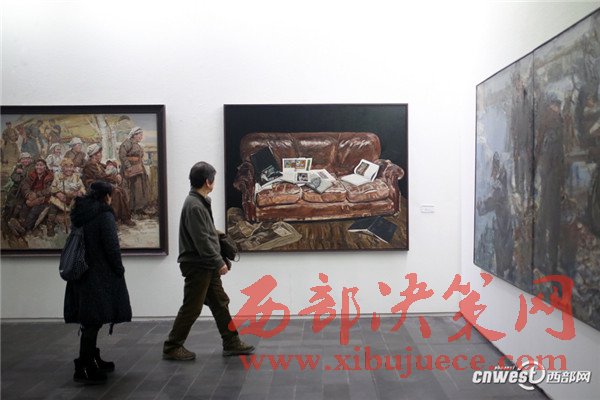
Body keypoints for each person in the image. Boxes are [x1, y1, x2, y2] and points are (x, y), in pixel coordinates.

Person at [162, 161, 255, 361]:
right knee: (192, 307)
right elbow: (202, 240)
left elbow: (205, 233)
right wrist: (218, 262)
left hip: (204, 263)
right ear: (207, 181)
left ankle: (231, 341)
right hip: (198, 265)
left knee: (220, 302)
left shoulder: (198, 202)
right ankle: (172, 346)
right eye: (213, 178)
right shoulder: (195, 205)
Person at [63, 181, 132, 384]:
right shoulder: (104, 214)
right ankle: (84, 367)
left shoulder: (81, 213)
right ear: (106, 196)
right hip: (99, 275)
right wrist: (119, 269)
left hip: (82, 274)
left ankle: (92, 358)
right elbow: (112, 246)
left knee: (91, 320)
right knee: (93, 321)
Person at [82, 144, 135, 226]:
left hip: (102, 184)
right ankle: (114, 219)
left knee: (121, 191)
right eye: (99, 153)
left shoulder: (98, 164)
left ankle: (124, 217)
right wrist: (114, 178)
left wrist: (116, 173)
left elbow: (107, 169)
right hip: (94, 187)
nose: (101, 154)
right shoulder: (89, 165)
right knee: (116, 192)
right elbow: (101, 176)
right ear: (94, 155)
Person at [47, 158, 86, 237]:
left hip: (72, 199)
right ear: (62, 168)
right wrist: (58, 193)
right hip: (60, 199)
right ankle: (50, 226)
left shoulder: (76, 177)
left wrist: (80, 192)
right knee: (53, 207)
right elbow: (52, 188)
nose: (69, 169)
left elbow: (82, 188)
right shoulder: (58, 176)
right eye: (66, 167)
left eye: (71, 167)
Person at [118, 126, 150, 214]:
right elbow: (122, 156)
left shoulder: (138, 145)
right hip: (129, 170)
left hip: (138, 170)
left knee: (139, 188)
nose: (141, 137)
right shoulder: (127, 143)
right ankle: (130, 209)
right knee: (130, 189)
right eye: (140, 135)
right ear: (134, 135)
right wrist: (128, 166)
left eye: (142, 135)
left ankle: (139, 208)